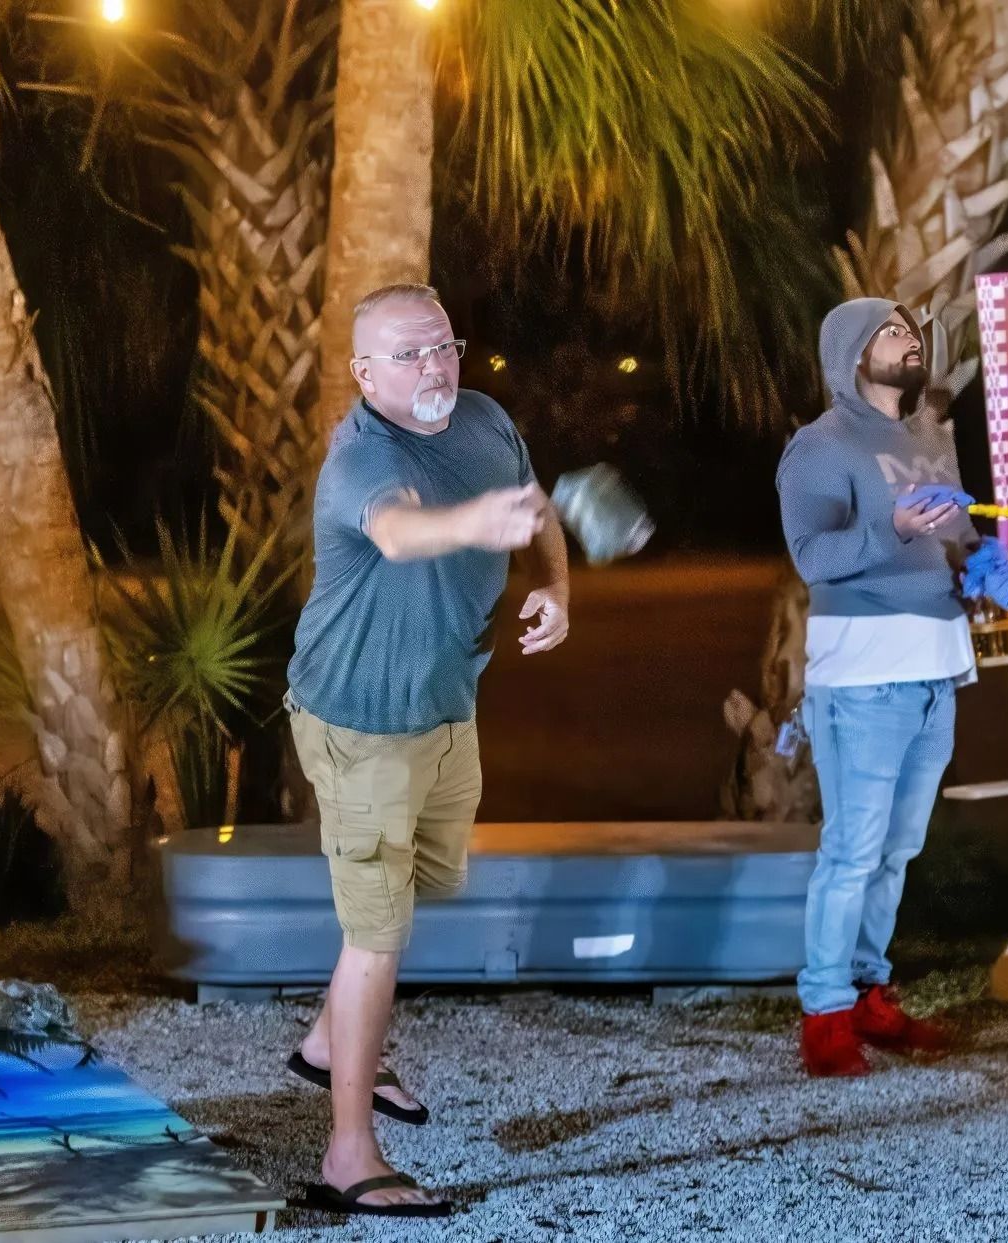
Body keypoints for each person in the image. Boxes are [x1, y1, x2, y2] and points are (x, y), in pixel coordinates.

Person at [282, 283, 570, 1216]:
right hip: (360, 722)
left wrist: (556, 587)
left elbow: (538, 508)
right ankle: (348, 1155)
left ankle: (329, 1040)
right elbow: (400, 531)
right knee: (378, 931)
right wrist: (471, 525)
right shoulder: (362, 458)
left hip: (447, 709)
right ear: (365, 372)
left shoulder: (485, 420)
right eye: (408, 355)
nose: (435, 367)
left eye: (444, 346)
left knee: (426, 885)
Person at [776, 297, 984, 1077]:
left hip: (936, 665)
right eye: (890, 333)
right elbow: (811, 557)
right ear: (850, 355)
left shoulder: (930, 436)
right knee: (853, 849)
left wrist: (979, 569)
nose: (909, 342)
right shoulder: (819, 447)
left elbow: (954, 537)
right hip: (862, 674)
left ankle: (869, 993)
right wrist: (889, 529)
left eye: (911, 331)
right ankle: (824, 1012)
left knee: (899, 849)